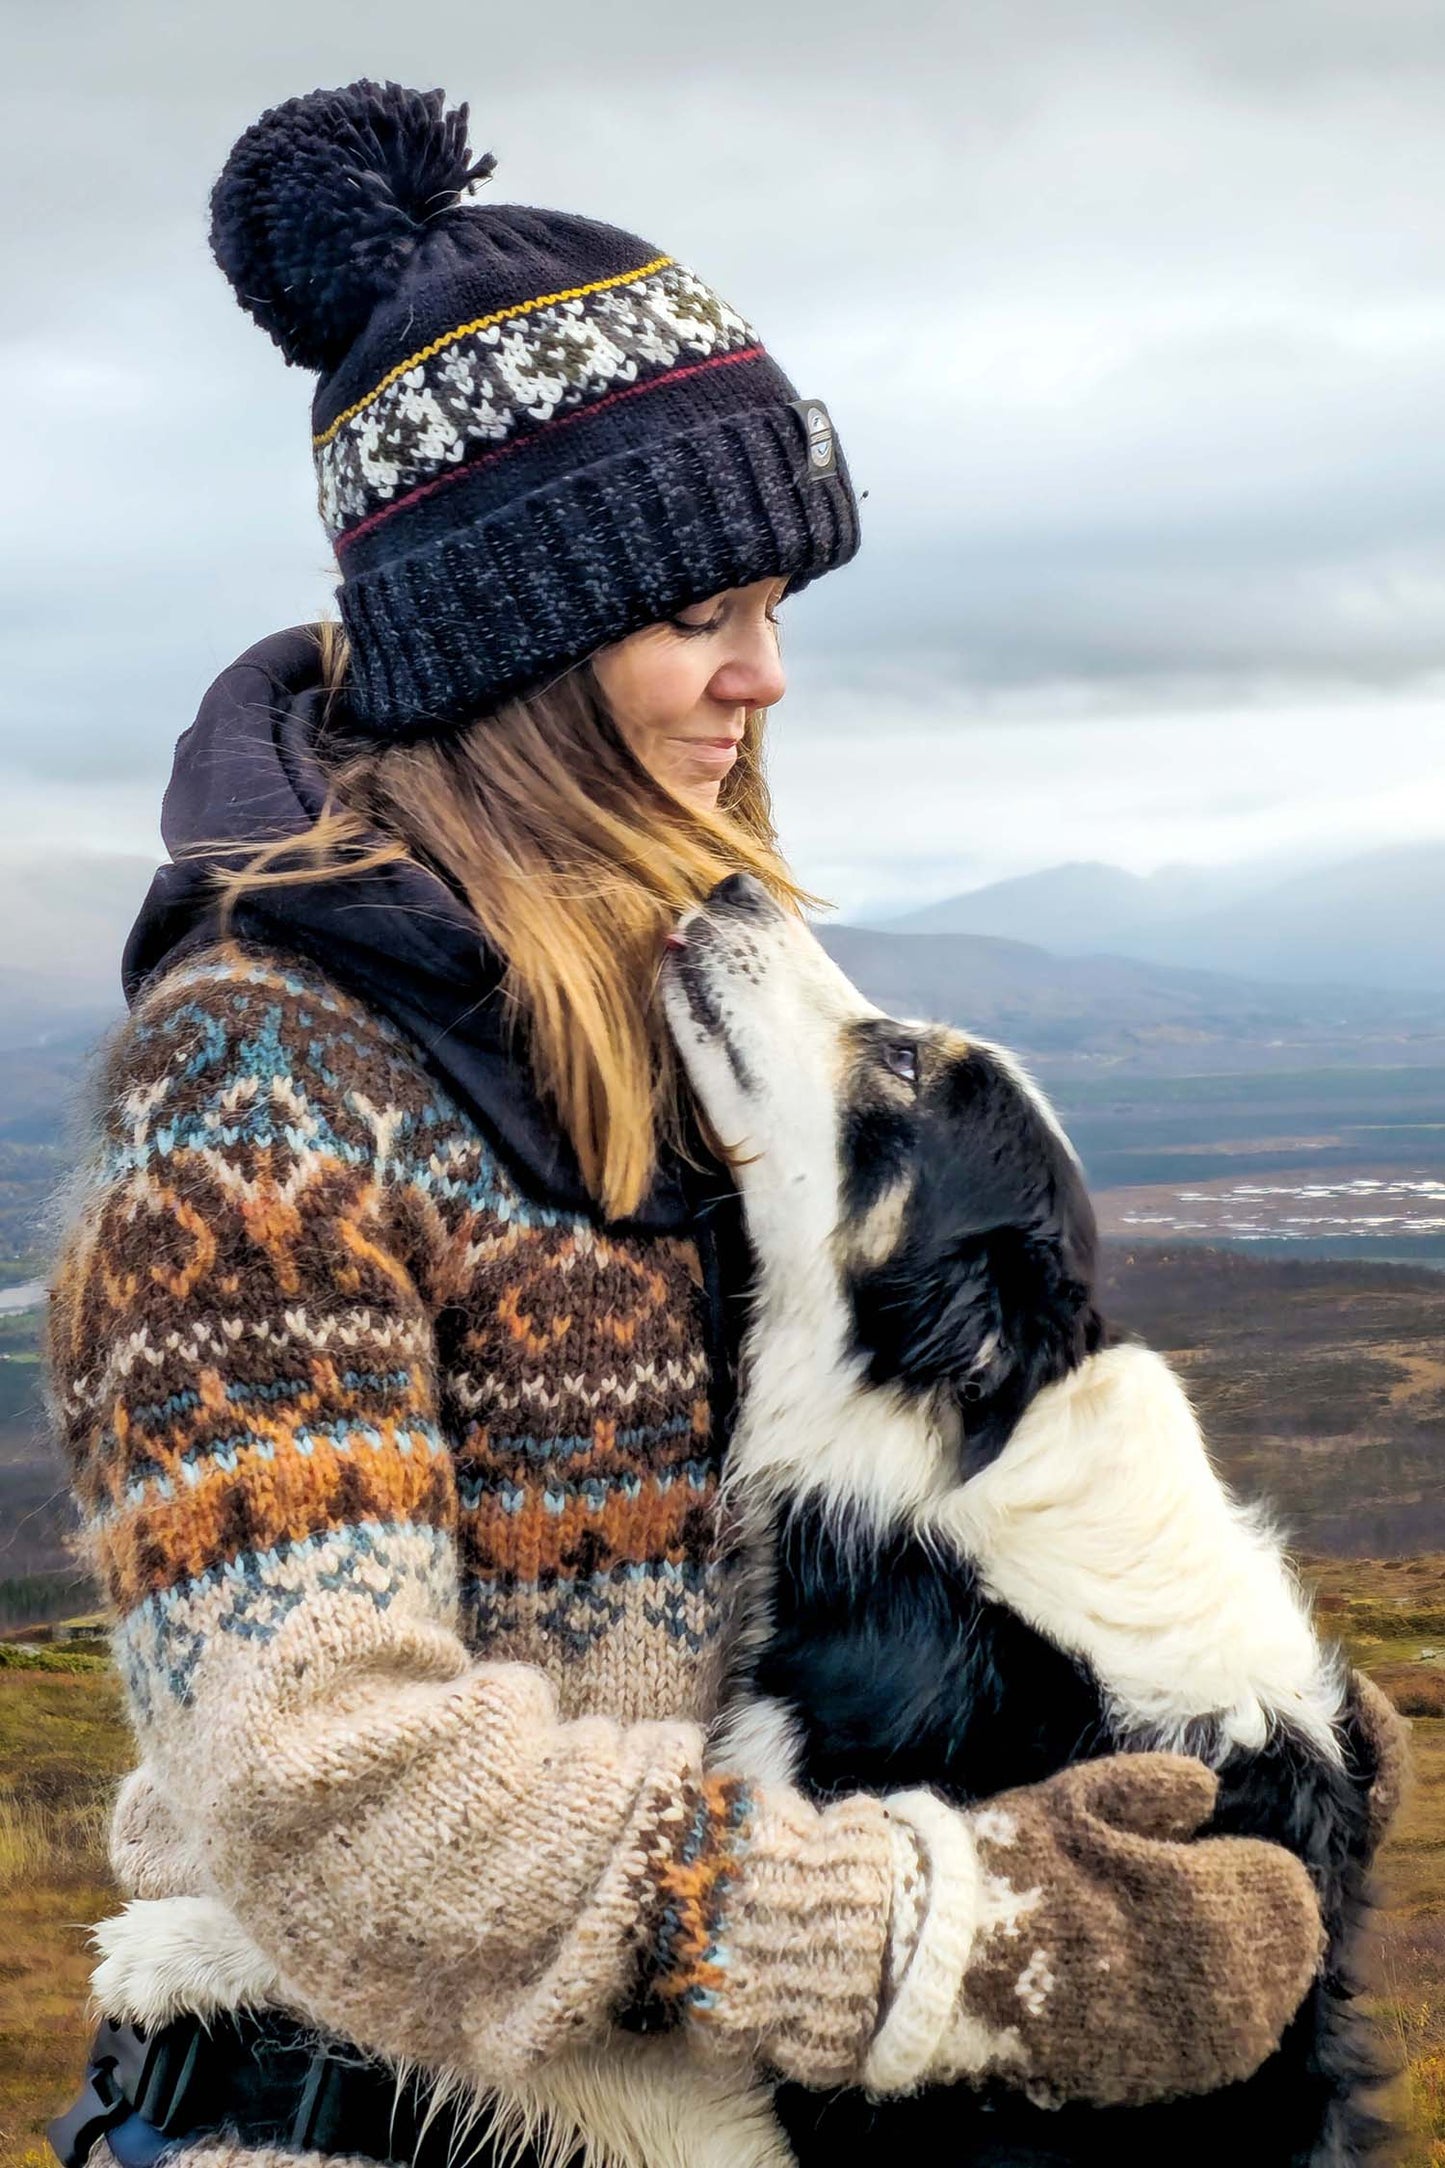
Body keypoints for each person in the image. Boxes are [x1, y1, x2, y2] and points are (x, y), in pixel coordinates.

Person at [47, 79, 1405, 2168]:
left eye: (780, 610)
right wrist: (943, 1943)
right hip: (362, 2123)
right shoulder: (259, 1085)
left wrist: (1262, 1749)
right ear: (523, 632)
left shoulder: (694, 1019)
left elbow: (882, 1540)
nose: (766, 678)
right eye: (706, 614)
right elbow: (334, 1787)